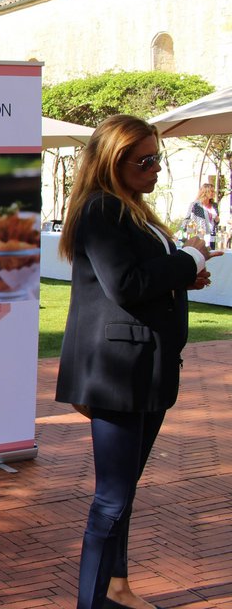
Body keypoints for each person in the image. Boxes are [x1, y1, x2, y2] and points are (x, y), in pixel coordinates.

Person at [56, 114, 219, 609]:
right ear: (113, 161)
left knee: (121, 495)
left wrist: (178, 277)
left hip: (145, 371)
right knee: (110, 499)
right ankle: (92, 601)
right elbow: (124, 285)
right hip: (118, 375)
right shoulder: (102, 209)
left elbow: (137, 277)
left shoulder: (131, 209)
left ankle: (118, 587)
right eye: (144, 160)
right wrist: (188, 260)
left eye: (158, 158)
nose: (156, 169)